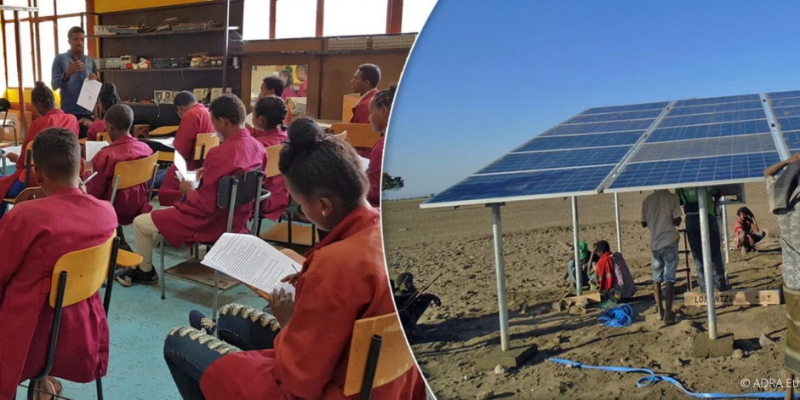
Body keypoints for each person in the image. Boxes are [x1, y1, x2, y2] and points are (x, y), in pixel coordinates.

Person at [162, 117, 427, 399]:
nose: (301, 212)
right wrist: (310, 280)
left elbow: (299, 379)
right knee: (230, 318)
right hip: (387, 383)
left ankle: (211, 344)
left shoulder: (335, 265)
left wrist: (288, 321)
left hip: (330, 390)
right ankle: (216, 334)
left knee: (177, 342)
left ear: (324, 206)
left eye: (300, 205)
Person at [0, 128, 116, 399]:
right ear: (82, 167)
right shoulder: (106, 213)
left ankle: (40, 379)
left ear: (38, 175)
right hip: (80, 329)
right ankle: (44, 381)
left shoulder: (24, 217)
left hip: (29, 335)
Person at [122, 94, 267, 287]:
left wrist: (188, 190)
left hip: (210, 222)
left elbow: (204, 205)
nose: (214, 129)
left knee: (140, 222)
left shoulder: (218, 153)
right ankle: (147, 257)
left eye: (214, 124)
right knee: (158, 219)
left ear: (223, 122)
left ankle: (145, 271)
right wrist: (208, 172)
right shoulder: (258, 147)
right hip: (237, 219)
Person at [0, 82, 79, 219]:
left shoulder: (39, 123)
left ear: (39, 105)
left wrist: (17, 159)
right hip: (66, 176)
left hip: (38, 178)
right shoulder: (72, 119)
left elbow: (26, 158)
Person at [83, 104, 153, 251]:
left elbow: (94, 193)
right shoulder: (145, 148)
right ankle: (120, 241)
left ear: (110, 127)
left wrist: (87, 171)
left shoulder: (106, 155)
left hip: (114, 209)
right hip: (138, 204)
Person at [764, 154, 800, 400]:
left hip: (790, 282)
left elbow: (768, 173)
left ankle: (789, 393)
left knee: (793, 335)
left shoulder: (780, 204)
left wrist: (788, 162)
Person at [157, 92, 215, 207]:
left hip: (187, 169)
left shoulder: (191, 115)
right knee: (160, 173)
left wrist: (175, 143)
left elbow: (182, 151)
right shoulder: (208, 112)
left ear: (179, 108)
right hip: (202, 166)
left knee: (150, 178)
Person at [675, 187, 729, 292]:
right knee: (714, 251)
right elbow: (716, 192)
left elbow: (679, 200)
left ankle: (704, 284)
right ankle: (719, 283)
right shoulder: (705, 179)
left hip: (690, 218)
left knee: (697, 254)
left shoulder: (680, 185)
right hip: (707, 214)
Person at [642, 189, 683, 324]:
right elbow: (677, 220)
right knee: (669, 278)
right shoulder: (672, 198)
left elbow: (643, 223)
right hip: (669, 241)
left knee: (656, 278)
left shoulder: (647, 200)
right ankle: (668, 315)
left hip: (655, 244)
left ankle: (660, 312)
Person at [51, 26, 98, 138]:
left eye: (82, 39)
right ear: (69, 41)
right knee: (70, 144)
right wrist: (67, 74)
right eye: (76, 39)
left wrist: (95, 79)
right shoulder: (60, 59)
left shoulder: (90, 61)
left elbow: (96, 85)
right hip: (69, 112)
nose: (79, 43)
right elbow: (54, 85)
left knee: (87, 144)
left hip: (88, 112)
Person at [251, 95, 290, 221]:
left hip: (262, 199)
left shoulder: (260, 145)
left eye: (253, 113)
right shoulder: (287, 138)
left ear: (260, 120)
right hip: (283, 196)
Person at [366, 83, 397, 208]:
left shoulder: (383, 146)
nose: (368, 118)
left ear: (383, 111)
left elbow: (374, 192)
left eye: (370, 112)